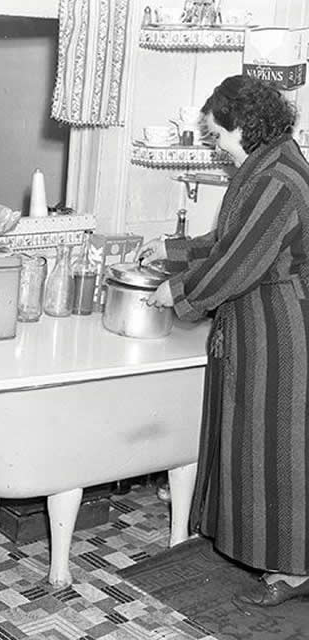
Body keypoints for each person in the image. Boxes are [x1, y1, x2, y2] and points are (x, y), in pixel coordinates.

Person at [140, 74, 309, 607]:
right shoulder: (263, 166)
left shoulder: (276, 179)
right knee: (258, 442)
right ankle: (275, 553)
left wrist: (179, 291)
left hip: (281, 333)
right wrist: (170, 252)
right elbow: (227, 240)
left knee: (279, 449)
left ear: (243, 126)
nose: (216, 145)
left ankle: (296, 568)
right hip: (258, 324)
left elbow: (238, 263)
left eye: (217, 135)